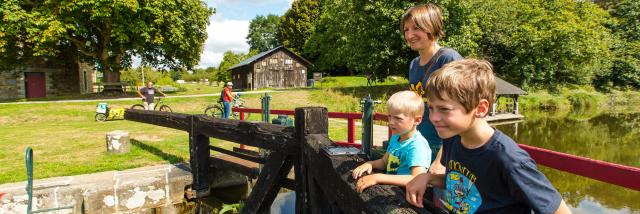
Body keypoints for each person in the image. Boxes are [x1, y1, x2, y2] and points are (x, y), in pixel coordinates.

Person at [405, 59, 571, 213]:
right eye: (431, 108)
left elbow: (559, 210)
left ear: (481, 108)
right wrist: (427, 178)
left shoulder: (509, 159)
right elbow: (460, 182)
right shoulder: (452, 138)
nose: (433, 117)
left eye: (444, 109)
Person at [402, 3, 463, 174]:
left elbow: (460, 112)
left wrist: (441, 160)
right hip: (420, 145)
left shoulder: (449, 59)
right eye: (406, 30)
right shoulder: (414, 64)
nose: (409, 35)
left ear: (431, 26)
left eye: (416, 28)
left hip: (443, 149)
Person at [352, 90, 432, 193]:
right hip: (391, 191)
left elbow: (417, 178)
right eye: (389, 116)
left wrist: (377, 178)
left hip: (406, 197)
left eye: (398, 118)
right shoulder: (396, 137)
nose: (391, 122)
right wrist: (370, 164)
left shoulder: (417, 146)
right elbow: (384, 162)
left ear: (417, 120)